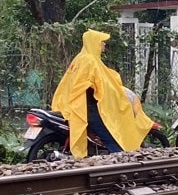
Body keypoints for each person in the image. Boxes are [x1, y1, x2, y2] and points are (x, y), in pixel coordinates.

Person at [51, 29, 157, 157]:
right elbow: (97, 83)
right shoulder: (90, 61)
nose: (104, 44)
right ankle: (120, 163)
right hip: (90, 107)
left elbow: (102, 78)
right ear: (94, 43)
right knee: (112, 136)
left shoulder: (81, 58)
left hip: (78, 105)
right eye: (102, 42)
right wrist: (114, 92)